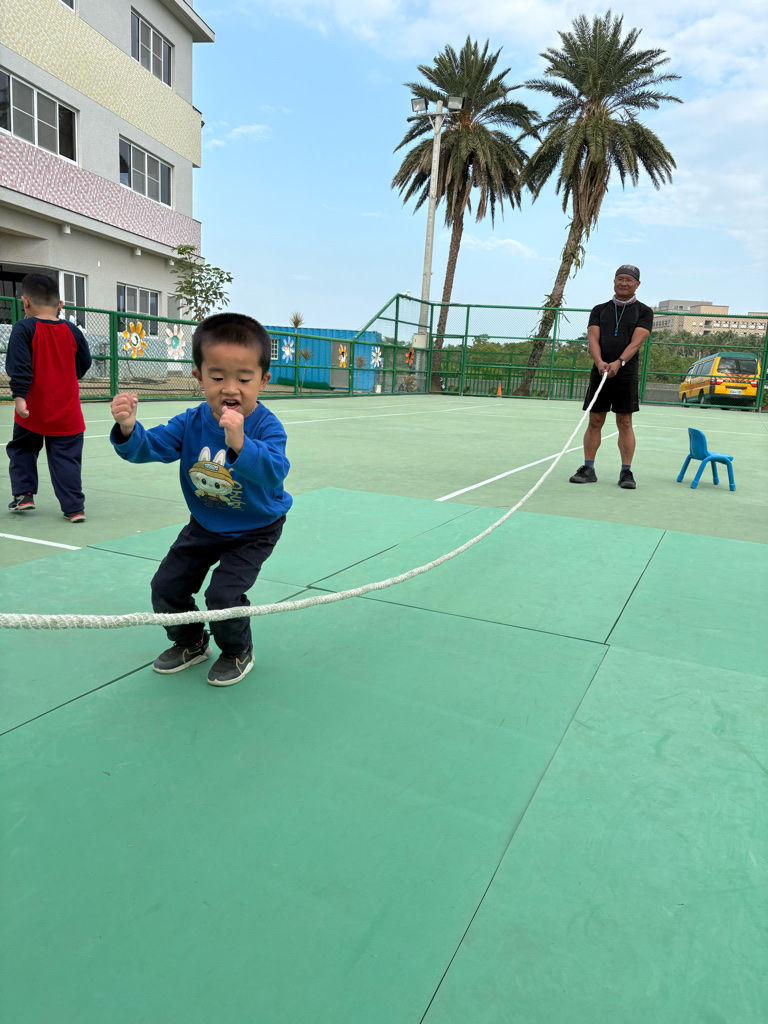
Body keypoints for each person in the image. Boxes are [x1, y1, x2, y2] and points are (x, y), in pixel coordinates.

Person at [110, 313, 291, 687]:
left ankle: (237, 650)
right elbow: (152, 446)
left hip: (256, 528)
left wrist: (241, 443)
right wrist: (128, 429)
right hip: (206, 524)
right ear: (199, 377)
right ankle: (191, 642)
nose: (231, 388)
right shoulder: (190, 422)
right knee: (166, 587)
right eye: (218, 377)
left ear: (263, 380)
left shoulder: (266, 426)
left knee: (223, 595)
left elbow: (275, 471)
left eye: (244, 379)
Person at [6, 273, 92, 521]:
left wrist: (20, 397)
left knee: (22, 449)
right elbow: (84, 363)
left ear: (25, 302)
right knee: (66, 458)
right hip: (67, 412)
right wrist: (67, 374)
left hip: (32, 410)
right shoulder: (73, 331)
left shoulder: (23, 328)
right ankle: (74, 508)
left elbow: (19, 365)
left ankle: (24, 495)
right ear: (60, 305)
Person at [569, 264, 653, 489]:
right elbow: (593, 339)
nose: (623, 283)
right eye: (620, 279)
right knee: (595, 420)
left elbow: (636, 342)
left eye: (629, 279)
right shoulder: (599, 310)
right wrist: (599, 363)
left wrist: (619, 362)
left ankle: (626, 472)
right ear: (614, 281)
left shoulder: (644, 311)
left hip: (626, 374)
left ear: (637, 284)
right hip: (600, 372)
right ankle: (588, 468)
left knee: (625, 422)